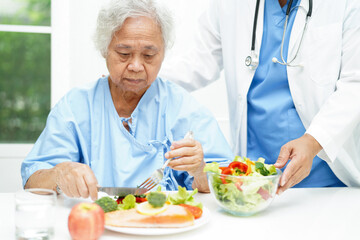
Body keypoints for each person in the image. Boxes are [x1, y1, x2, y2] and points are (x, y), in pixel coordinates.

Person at [21, 0, 234, 201]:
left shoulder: (185, 109)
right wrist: (59, 174)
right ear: (105, 50)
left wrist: (199, 170)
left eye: (149, 55)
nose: (136, 66)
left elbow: (228, 184)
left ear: (162, 53)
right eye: (124, 53)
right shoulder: (75, 107)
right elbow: (32, 181)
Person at [160, 0, 360, 194]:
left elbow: (355, 84)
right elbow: (200, 62)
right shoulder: (229, 4)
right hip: (252, 176)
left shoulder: (346, 4)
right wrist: (142, 73)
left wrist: (313, 141)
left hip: (326, 174)